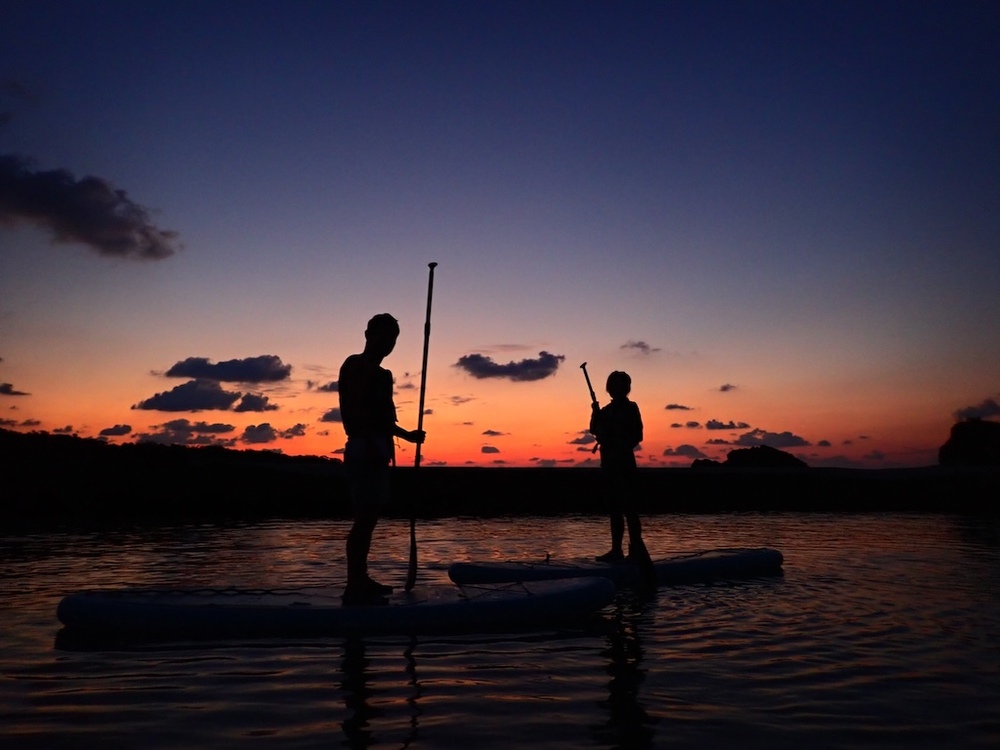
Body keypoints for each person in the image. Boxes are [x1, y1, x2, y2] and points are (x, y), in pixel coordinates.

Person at [338, 313, 425, 604]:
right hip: (364, 449)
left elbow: (384, 419)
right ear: (368, 335)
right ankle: (355, 584)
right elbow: (358, 410)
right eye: (383, 336)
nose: (388, 343)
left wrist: (407, 436)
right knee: (364, 519)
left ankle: (361, 579)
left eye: (392, 339)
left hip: (377, 449)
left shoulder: (384, 375)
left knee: (370, 518)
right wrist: (371, 442)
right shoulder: (355, 365)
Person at [589, 370, 650, 570]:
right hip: (608, 463)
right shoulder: (606, 410)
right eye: (613, 384)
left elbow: (637, 435)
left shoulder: (631, 408)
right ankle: (616, 550)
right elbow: (595, 430)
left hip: (623, 463)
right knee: (614, 508)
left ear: (626, 387)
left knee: (628, 507)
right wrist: (595, 412)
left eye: (619, 385)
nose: (615, 388)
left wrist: (618, 445)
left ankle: (636, 549)